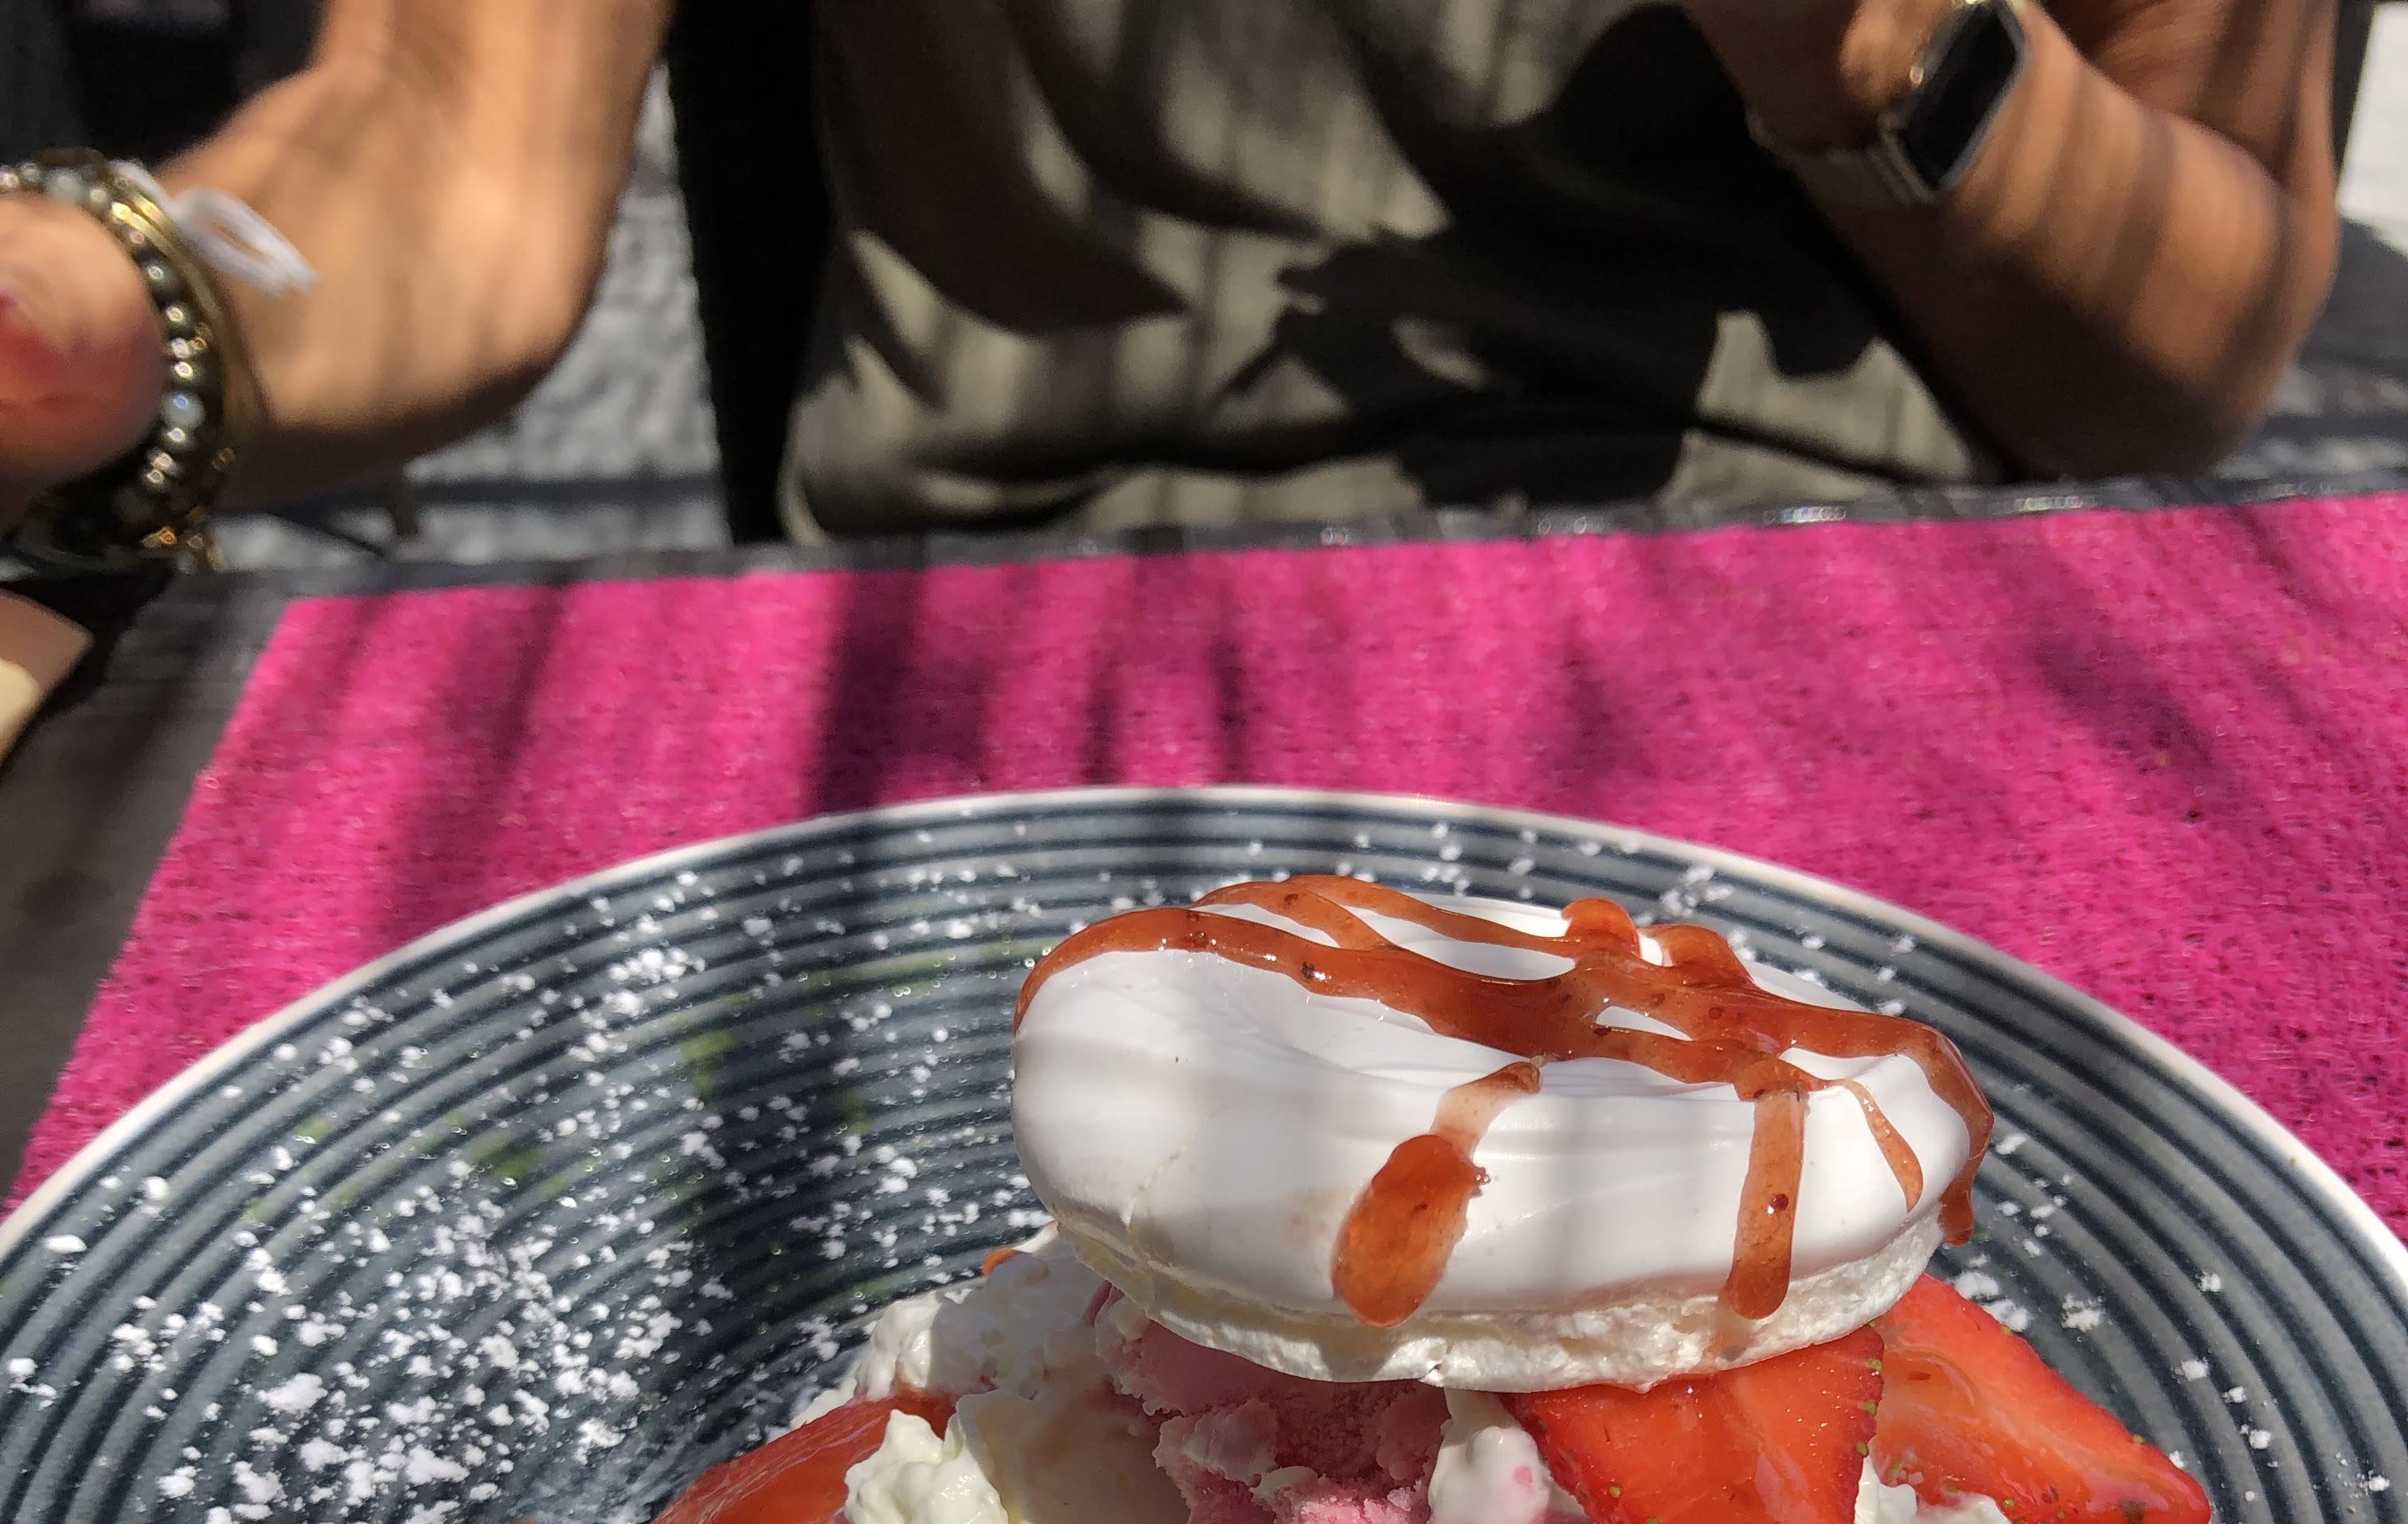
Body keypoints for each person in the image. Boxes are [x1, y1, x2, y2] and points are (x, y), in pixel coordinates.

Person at [0, 0, 2343, 561]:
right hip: (983, 647)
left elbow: (2193, 355)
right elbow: (441, 136)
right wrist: (122, 296)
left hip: (1810, 600)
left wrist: (1880, 52)